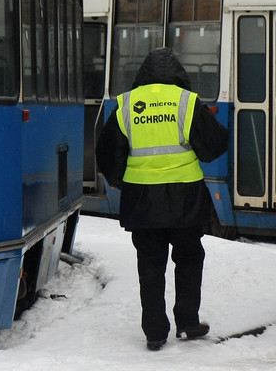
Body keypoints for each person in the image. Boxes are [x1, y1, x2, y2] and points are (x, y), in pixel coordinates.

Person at [95, 47, 229, 351]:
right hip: (185, 198)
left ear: (143, 74)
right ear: (178, 74)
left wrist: (118, 180)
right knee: (189, 258)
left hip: (142, 200)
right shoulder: (187, 102)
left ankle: (154, 332)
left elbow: (106, 150)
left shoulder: (127, 104)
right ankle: (187, 321)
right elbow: (214, 144)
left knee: (150, 266)